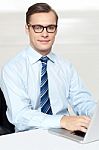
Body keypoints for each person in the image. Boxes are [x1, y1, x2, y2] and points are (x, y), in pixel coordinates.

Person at [0, 2, 96, 133]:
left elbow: (82, 101)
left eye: (50, 27)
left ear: (56, 30)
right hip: (29, 136)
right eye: (38, 27)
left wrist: (95, 113)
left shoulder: (66, 66)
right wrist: (61, 120)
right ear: (27, 29)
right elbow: (20, 115)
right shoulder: (12, 69)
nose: (45, 34)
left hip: (65, 133)